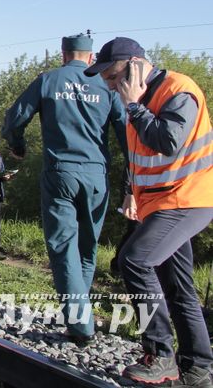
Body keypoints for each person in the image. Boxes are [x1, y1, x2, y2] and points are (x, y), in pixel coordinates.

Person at [86, 37, 213, 387]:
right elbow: (139, 157)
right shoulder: (139, 101)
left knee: (135, 260)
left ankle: (160, 355)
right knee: (178, 287)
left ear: (136, 66)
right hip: (159, 203)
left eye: (114, 77)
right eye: (108, 80)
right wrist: (131, 193)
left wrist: (133, 105)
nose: (111, 85)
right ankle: (198, 371)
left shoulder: (178, 90)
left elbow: (167, 142)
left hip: (186, 199)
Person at [2, 33, 127, 346]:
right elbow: (127, 131)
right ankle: (79, 317)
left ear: (63, 54)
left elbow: (15, 117)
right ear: (91, 57)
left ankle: (80, 323)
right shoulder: (107, 83)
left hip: (61, 174)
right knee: (87, 247)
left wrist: (18, 145)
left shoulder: (48, 80)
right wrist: (134, 176)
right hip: (96, 176)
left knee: (63, 247)